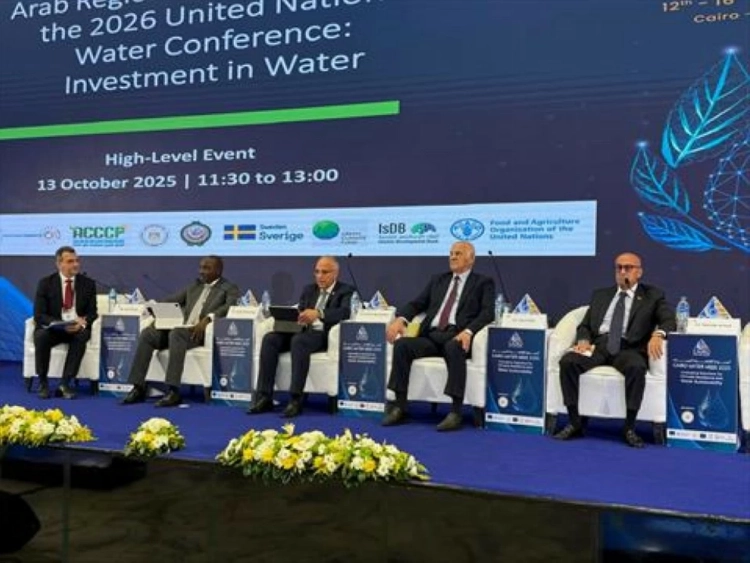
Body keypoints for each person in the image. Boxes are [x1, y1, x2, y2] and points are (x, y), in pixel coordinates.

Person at [554, 252, 676, 448]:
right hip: (598, 346)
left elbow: (669, 320)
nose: (622, 272)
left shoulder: (652, 296)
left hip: (629, 348)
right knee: (568, 361)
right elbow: (585, 325)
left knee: (636, 368)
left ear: (639, 272)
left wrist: (658, 334)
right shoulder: (601, 295)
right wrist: (583, 340)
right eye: (619, 267)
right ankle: (575, 422)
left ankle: (629, 427)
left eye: (628, 268)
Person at [381, 242, 495, 431]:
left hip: (456, 336)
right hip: (432, 336)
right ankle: (400, 406)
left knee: (454, 347)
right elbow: (417, 304)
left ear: (471, 259)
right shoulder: (438, 280)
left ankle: (455, 411)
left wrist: (468, 331)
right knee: (402, 346)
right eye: (451, 253)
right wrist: (401, 319)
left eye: (458, 253)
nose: (453, 257)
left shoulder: (483, 283)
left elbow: (487, 313)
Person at [122, 256, 239, 407]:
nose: (201, 271)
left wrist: (208, 318)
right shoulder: (194, 286)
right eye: (200, 267)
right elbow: (171, 300)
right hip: (179, 330)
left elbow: (229, 307)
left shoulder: (229, 288)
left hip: (198, 333)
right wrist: (156, 309)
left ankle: (173, 391)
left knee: (176, 333)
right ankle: (138, 388)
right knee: (147, 334)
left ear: (218, 270)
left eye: (206, 268)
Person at [248, 256, 354, 418]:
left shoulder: (345, 290)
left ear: (335, 273)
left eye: (324, 272)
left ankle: (296, 399)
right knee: (270, 339)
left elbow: (345, 312)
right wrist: (296, 317)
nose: (320, 276)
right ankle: (264, 397)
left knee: (299, 341)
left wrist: (319, 313)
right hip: (301, 330)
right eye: (317, 272)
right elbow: (301, 308)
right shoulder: (309, 289)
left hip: (322, 335)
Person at [33, 246, 98, 399]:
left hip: (76, 328)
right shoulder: (46, 283)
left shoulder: (88, 284)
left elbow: (92, 313)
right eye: (70, 261)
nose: (75, 264)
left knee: (82, 337)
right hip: (54, 328)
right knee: (41, 336)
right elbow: (39, 315)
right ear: (59, 263)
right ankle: (43, 382)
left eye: (77, 261)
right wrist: (60, 324)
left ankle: (65, 383)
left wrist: (82, 323)